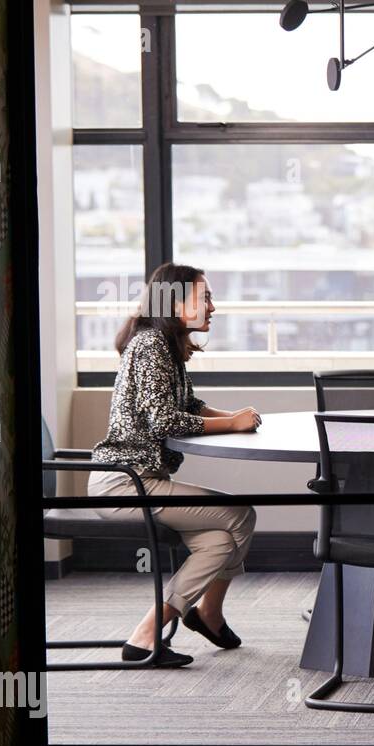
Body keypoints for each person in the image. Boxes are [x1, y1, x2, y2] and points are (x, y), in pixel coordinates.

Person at [87, 263, 261, 667]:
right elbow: (161, 420)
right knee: (239, 514)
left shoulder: (165, 345)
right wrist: (231, 423)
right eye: (206, 297)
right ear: (175, 302)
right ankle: (203, 617)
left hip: (142, 478)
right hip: (124, 483)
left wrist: (231, 416)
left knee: (218, 541)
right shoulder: (150, 345)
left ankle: (148, 635)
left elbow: (189, 406)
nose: (214, 307)